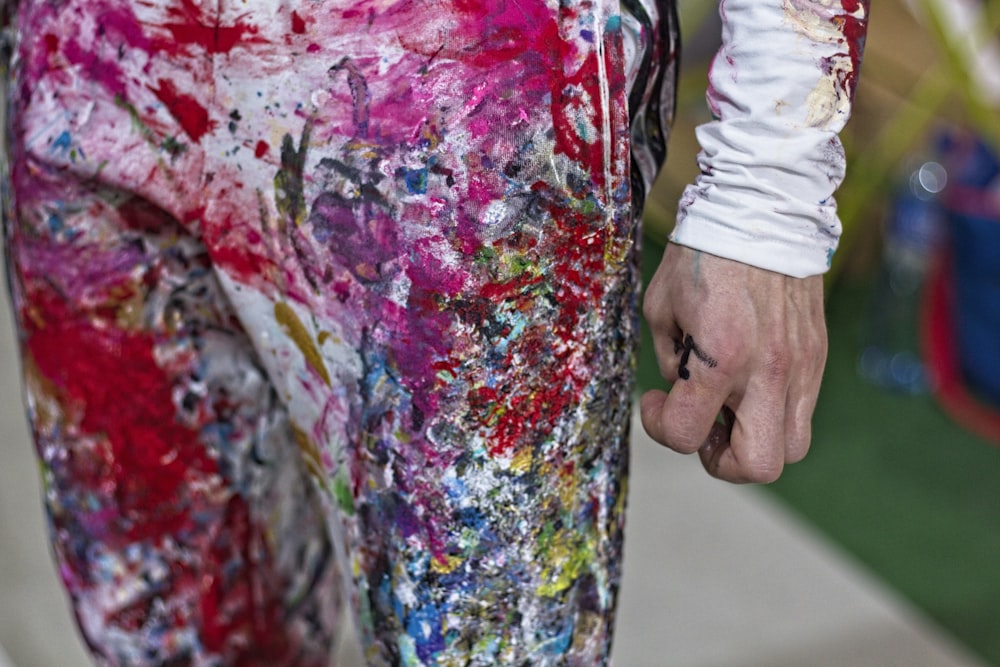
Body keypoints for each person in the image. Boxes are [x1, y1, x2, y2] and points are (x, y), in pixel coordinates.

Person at [1, 0, 868, 664]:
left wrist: (768, 193)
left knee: (472, 636)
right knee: (178, 623)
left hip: (463, 91)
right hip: (83, 54)